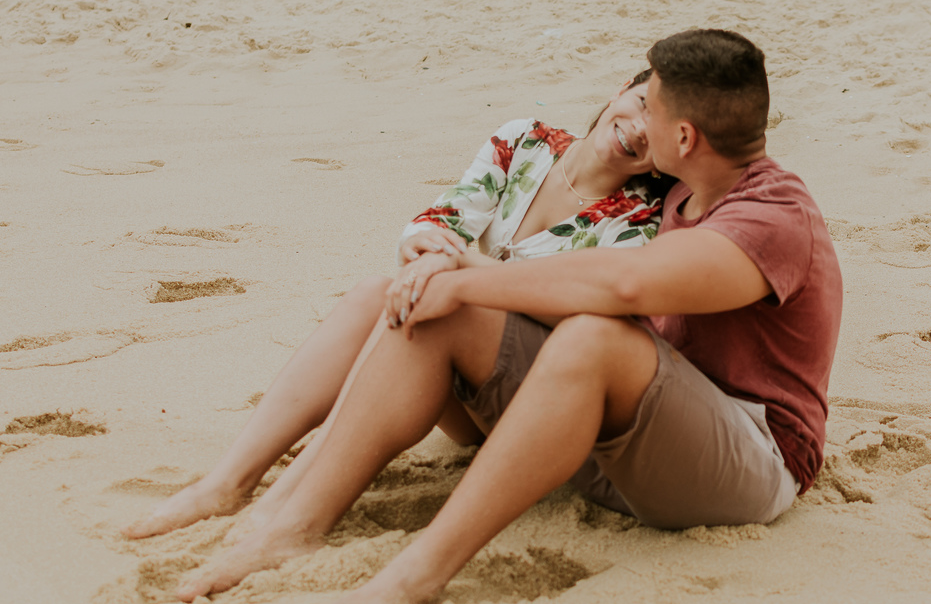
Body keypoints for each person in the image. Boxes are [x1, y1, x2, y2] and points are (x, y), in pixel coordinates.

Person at [172, 28, 844, 604]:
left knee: (589, 334)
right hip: (628, 447)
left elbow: (626, 285)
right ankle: (288, 523)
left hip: (751, 460)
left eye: (655, 107)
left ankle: (414, 579)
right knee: (437, 308)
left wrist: (464, 275)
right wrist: (448, 282)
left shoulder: (773, 214)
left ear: (684, 138)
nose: (641, 119)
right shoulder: (687, 189)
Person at [122, 72, 666, 541]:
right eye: (641, 103)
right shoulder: (525, 140)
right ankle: (226, 483)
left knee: (433, 301)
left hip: (529, 396)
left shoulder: (638, 223)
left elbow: (565, 304)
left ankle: (290, 498)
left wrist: (456, 268)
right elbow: (440, 221)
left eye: (658, 127)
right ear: (621, 89)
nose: (639, 128)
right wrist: (433, 255)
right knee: (372, 294)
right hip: (455, 375)